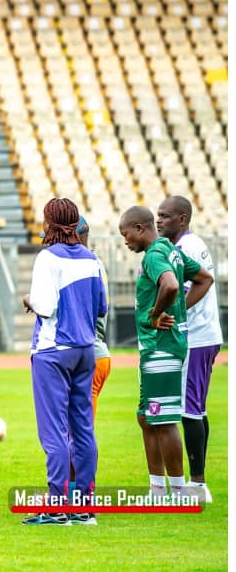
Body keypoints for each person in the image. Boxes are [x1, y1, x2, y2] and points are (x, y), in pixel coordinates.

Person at [20, 199, 106, 526]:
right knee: (83, 428)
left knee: (54, 432)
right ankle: (84, 507)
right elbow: (101, 308)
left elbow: (44, 305)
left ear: (50, 224)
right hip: (86, 349)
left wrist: (30, 301)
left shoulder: (47, 257)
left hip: (53, 350)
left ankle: (56, 507)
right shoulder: (92, 258)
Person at [118, 206, 213, 498]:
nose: (125, 241)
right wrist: (179, 310)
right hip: (159, 347)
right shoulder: (171, 250)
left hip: (162, 347)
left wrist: (156, 313)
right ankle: (157, 488)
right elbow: (204, 279)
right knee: (146, 417)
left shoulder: (155, 255)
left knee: (164, 419)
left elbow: (171, 285)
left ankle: (181, 490)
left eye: (126, 235)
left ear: (140, 228)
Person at [156, 196, 223, 502]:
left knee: (188, 410)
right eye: (157, 215)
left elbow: (200, 284)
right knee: (197, 408)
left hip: (195, 337)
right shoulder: (187, 245)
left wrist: (174, 311)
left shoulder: (186, 249)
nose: (159, 221)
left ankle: (197, 486)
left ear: (181, 219)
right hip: (205, 335)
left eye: (165, 216)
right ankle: (199, 483)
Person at [76, 217, 112, 419]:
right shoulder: (94, 261)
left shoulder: (86, 265)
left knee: (82, 431)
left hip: (91, 354)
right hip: (97, 353)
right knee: (81, 429)